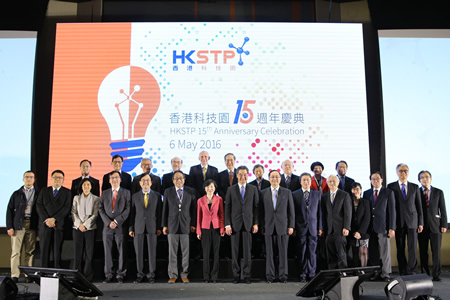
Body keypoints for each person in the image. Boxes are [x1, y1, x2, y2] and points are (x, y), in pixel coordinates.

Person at [225, 166, 259, 284]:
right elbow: (227, 208)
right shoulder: (230, 189)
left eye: (245, 174)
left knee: (247, 252)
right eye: (240, 174)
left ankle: (247, 275)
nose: (242, 177)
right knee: (235, 252)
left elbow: (256, 208)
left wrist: (255, 223)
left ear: (248, 175)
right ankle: (236, 275)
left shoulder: (253, 189)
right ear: (236, 175)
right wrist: (227, 224)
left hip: (248, 224)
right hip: (234, 224)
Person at [387, 163, 423, 275]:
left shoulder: (415, 187)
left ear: (408, 172)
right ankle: (402, 270)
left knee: (412, 248)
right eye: (401, 171)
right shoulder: (391, 187)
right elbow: (390, 207)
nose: (403, 173)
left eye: (406, 171)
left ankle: (411, 270)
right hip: (398, 222)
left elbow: (419, 206)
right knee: (400, 247)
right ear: (397, 172)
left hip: (413, 222)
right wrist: (391, 225)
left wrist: (420, 223)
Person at [162, 170, 197, 284]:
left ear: (184, 179)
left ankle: (184, 274)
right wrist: (164, 225)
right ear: (173, 181)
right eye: (176, 178)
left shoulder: (191, 192)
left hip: (186, 225)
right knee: (172, 252)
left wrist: (193, 224)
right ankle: (173, 275)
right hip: (171, 225)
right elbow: (164, 210)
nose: (179, 180)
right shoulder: (167, 192)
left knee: (185, 252)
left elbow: (193, 210)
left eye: (181, 178)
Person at [260, 170, 294, 283]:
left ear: (280, 179)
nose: (275, 179)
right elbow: (261, 210)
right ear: (269, 179)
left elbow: (291, 211)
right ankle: (270, 276)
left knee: (283, 252)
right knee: (269, 253)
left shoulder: (287, 192)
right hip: (268, 226)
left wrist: (291, 226)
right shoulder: (263, 192)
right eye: (272, 177)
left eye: (277, 177)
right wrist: (262, 225)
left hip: (283, 226)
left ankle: (283, 276)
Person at [129, 173, 162, 284]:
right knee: (139, 253)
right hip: (138, 227)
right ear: (139, 183)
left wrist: (159, 227)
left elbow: (159, 213)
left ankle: (151, 275)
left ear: (151, 182)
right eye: (143, 180)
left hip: (152, 228)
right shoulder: (134, 196)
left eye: (148, 180)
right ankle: (140, 274)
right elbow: (132, 214)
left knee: (152, 252)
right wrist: (131, 228)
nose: (145, 182)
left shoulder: (157, 195)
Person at [6, 171, 39, 283]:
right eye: (26, 177)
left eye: (31, 177)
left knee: (30, 251)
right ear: (23, 179)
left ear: (34, 179)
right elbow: (9, 211)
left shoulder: (39, 193)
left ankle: (28, 274)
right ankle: (15, 274)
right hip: (18, 225)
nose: (29, 179)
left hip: (32, 224)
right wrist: (9, 227)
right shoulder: (16, 194)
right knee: (16, 251)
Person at [99, 170, 131, 283]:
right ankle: (108, 274)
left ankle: (120, 274)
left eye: (116, 177)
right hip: (107, 227)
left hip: (120, 226)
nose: (114, 180)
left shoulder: (126, 193)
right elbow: (100, 209)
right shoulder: (105, 193)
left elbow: (128, 209)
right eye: (112, 178)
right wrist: (108, 222)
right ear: (109, 180)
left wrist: (117, 221)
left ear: (120, 179)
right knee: (107, 251)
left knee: (121, 251)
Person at [363, 171, 396, 281]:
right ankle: (375, 272)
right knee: (373, 252)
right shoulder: (367, 193)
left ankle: (386, 274)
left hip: (384, 227)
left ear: (382, 180)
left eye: (377, 179)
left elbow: (392, 211)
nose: (375, 181)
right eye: (373, 179)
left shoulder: (388, 192)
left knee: (385, 252)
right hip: (370, 227)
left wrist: (391, 227)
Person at [36, 170, 72, 268]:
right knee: (44, 250)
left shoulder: (67, 192)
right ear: (51, 179)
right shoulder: (44, 191)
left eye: (60, 177)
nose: (57, 179)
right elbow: (39, 205)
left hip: (58, 225)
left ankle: (57, 271)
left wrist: (54, 219)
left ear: (63, 180)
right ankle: (43, 271)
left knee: (57, 250)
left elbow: (66, 208)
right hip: (45, 225)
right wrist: (47, 220)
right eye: (55, 177)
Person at [417, 170, 447, 281]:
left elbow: (443, 210)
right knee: (423, 251)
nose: (425, 179)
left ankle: (436, 274)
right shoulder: (417, 192)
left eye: (427, 177)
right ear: (419, 180)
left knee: (436, 252)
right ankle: (425, 273)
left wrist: (444, 224)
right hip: (422, 226)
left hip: (436, 226)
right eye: (422, 177)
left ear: (431, 179)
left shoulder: (439, 192)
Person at [292, 172, 322, 282]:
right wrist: (293, 227)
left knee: (312, 252)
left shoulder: (317, 194)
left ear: (311, 181)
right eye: (304, 180)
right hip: (300, 228)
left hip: (313, 228)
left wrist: (320, 227)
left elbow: (320, 213)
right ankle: (303, 274)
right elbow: (293, 213)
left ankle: (312, 273)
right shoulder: (294, 194)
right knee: (302, 252)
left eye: (308, 180)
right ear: (300, 182)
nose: (306, 182)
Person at [196, 179, 225, 283]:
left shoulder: (219, 199)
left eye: (212, 186)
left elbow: (221, 214)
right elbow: (198, 217)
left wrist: (222, 228)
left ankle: (214, 276)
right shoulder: (200, 200)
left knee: (216, 253)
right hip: (205, 228)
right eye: (208, 187)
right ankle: (206, 277)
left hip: (216, 228)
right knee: (206, 253)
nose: (210, 188)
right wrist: (198, 231)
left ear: (215, 188)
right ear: (205, 188)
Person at [71, 178, 99, 281]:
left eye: (88, 185)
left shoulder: (96, 199)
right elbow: (73, 212)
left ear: (91, 187)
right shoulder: (76, 198)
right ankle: (77, 275)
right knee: (77, 253)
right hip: (77, 228)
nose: (86, 187)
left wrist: (86, 225)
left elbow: (95, 214)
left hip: (90, 229)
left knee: (89, 253)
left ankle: (88, 276)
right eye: (84, 185)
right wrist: (79, 225)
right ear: (81, 187)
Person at [322, 175, 351, 269]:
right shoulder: (324, 196)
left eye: (334, 181)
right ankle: (332, 272)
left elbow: (348, 213)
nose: (332, 183)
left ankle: (343, 272)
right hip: (329, 230)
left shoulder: (344, 195)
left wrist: (346, 227)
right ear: (327, 183)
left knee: (341, 253)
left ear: (338, 183)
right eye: (330, 181)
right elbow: (324, 213)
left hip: (340, 229)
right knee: (330, 253)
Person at [348, 182, 370, 268]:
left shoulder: (365, 202)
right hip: (353, 231)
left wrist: (360, 232)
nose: (355, 191)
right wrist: (354, 232)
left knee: (363, 252)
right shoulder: (349, 202)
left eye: (357, 189)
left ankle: (364, 270)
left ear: (360, 190)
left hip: (363, 232)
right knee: (354, 253)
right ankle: (356, 270)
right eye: (353, 189)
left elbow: (367, 218)